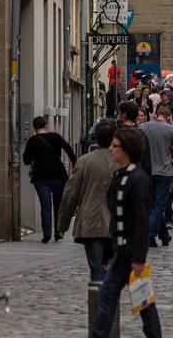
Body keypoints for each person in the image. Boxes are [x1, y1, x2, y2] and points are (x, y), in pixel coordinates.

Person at [91, 128, 162, 338]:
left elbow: (141, 221)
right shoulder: (119, 176)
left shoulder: (138, 180)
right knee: (132, 298)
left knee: (134, 298)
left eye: (115, 146)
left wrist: (139, 257)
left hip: (131, 251)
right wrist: (108, 251)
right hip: (121, 250)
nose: (111, 149)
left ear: (127, 149)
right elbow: (115, 218)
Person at [57, 120, 117, 282]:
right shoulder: (120, 162)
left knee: (97, 269)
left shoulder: (84, 161)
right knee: (113, 270)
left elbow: (70, 194)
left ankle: (100, 303)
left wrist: (62, 224)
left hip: (90, 222)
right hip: (116, 223)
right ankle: (109, 303)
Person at [22, 115, 76, 243]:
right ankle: (58, 232)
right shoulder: (55, 137)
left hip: (40, 177)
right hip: (58, 176)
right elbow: (69, 150)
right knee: (58, 205)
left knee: (45, 206)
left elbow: (26, 160)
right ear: (46, 125)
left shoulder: (32, 141)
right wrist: (75, 165)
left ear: (34, 127)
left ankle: (46, 234)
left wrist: (36, 158)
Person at [140, 105, 173, 248]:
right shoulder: (172, 129)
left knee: (153, 205)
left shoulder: (143, 128)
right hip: (165, 171)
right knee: (160, 205)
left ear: (156, 115)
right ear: (168, 117)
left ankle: (165, 236)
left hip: (147, 170)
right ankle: (150, 233)